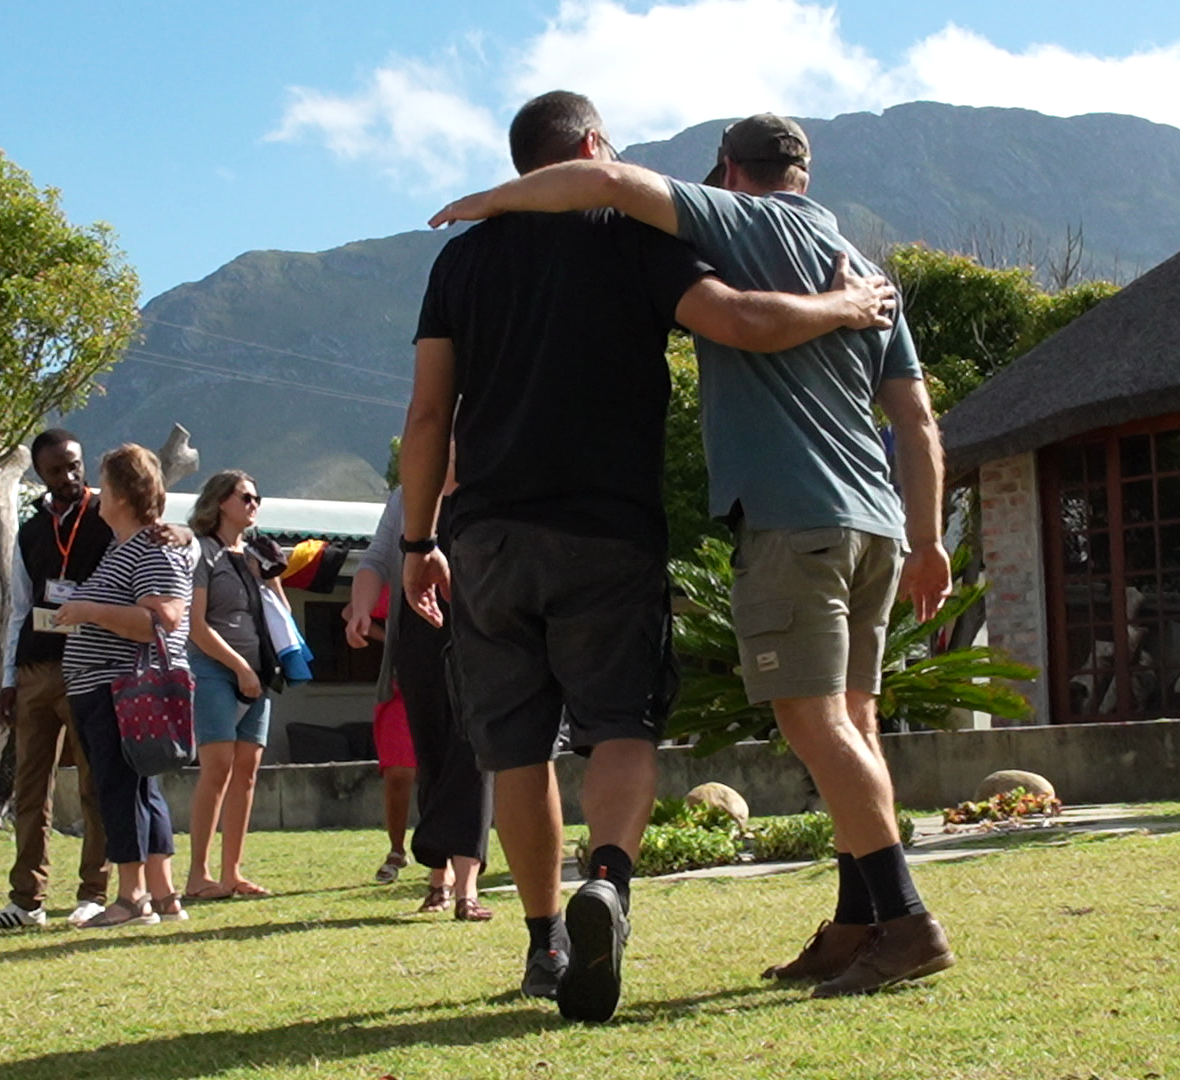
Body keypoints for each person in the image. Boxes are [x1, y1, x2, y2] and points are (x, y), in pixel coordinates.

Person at [400, 90, 898, 1022]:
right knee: (620, 728)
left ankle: (545, 942)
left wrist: (419, 541)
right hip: (608, 528)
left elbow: (429, 415)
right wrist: (839, 306)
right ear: (594, 145)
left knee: (517, 750)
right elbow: (738, 320)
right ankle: (610, 884)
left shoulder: (460, 260)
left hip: (488, 533)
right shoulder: (632, 237)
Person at [0, 429, 115, 932]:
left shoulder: (107, 515)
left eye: (75, 464)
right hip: (35, 670)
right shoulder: (30, 531)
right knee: (30, 787)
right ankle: (26, 900)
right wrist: (9, 678)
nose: (69, 476)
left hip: (90, 665)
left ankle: (94, 893)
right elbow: (19, 606)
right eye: (56, 470)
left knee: (95, 784)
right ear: (39, 474)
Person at [54, 444, 199, 928]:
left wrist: (89, 611)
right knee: (139, 789)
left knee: (119, 789)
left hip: (121, 690)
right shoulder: (122, 548)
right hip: (103, 689)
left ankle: (131, 897)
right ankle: (163, 894)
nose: (97, 494)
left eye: (105, 483)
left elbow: (163, 619)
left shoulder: (152, 547)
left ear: (122, 492)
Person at [348, 481, 493, 920]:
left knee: (471, 753)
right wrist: (360, 608)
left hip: (480, 634)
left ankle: (467, 888)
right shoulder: (406, 495)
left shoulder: (489, 480)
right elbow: (377, 558)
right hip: (417, 638)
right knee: (430, 752)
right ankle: (438, 878)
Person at [182, 470, 278, 899]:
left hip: (259, 672)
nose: (253, 504)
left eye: (257, 498)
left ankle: (232, 873)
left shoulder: (255, 553)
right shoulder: (202, 552)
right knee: (217, 765)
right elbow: (196, 626)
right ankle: (198, 874)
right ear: (221, 501)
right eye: (245, 497)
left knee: (247, 772)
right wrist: (239, 667)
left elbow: (276, 615)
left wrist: (272, 572)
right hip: (213, 668)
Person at [343, 583, 417, 884]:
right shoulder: (393, 582)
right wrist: (389, 640)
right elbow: (350, 611)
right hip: (399, 689)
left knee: (441, 774)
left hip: (447, 685)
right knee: (398, 773)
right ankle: (397, 849)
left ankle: (446, 858)